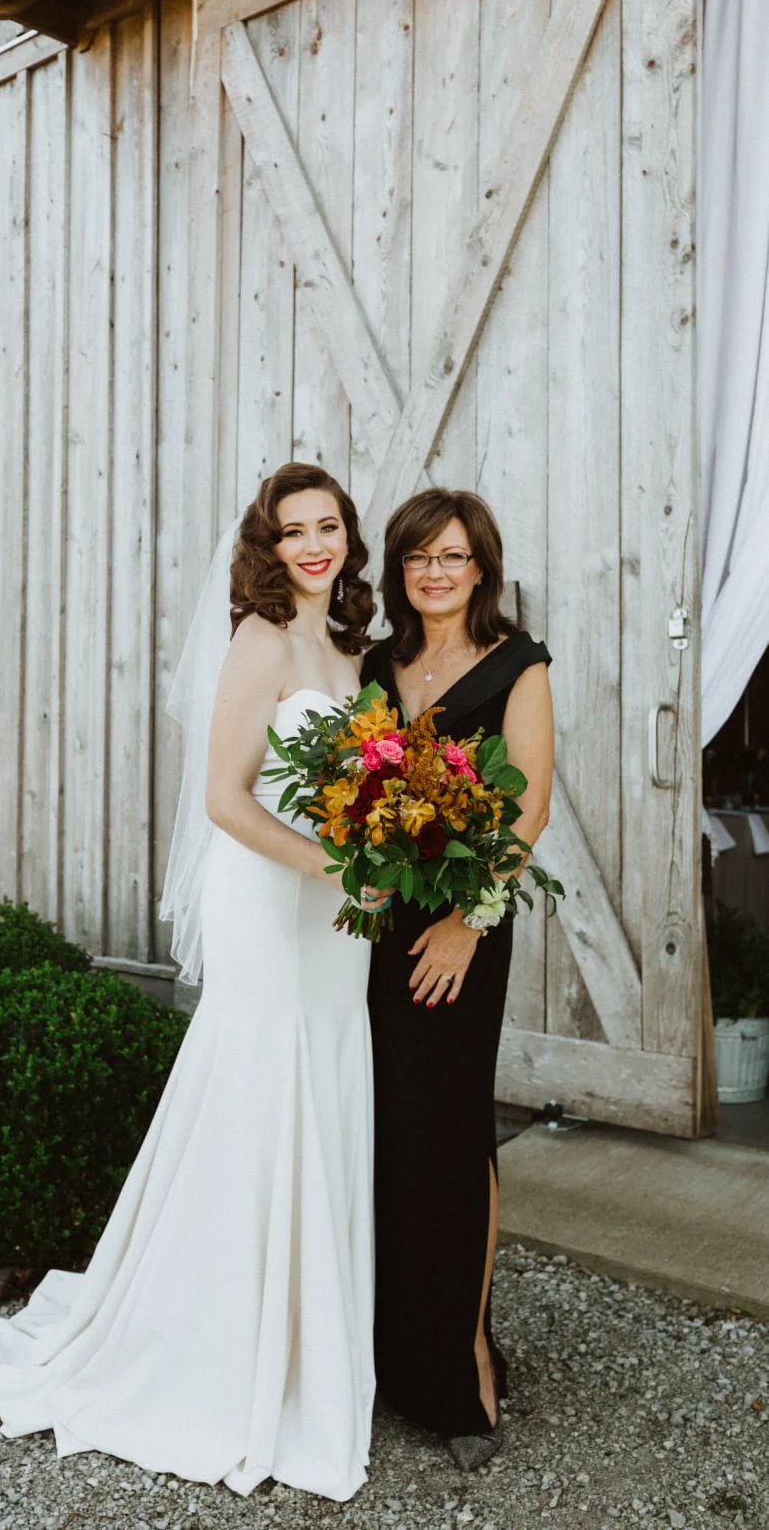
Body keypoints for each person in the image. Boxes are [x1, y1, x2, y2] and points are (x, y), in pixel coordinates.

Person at [0, 463, 388, 1501]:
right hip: (270, 897)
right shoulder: (261, 637)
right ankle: (221, 1348)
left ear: (347, 537)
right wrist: (335, 864)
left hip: (336, 913)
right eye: (296, 531)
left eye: (329, 526)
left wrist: (372, 857)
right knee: (260, 1085)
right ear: (269, 546)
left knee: (322, 1079)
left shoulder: (349, 645)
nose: (316, 545)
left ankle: (310, 1341)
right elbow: (226, 801)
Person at [362, 488, 554, 1470]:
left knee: (447, 1132)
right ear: (400, 571)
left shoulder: (518, 663)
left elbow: (526, 810)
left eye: (453, 556)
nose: (435, 573)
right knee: (383, 1132)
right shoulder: (376, 667)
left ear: (482, 565)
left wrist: (468, 926)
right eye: (418, 558)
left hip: (459, 930)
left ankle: (465, 1354)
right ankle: (391, 1356)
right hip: (373, 929)